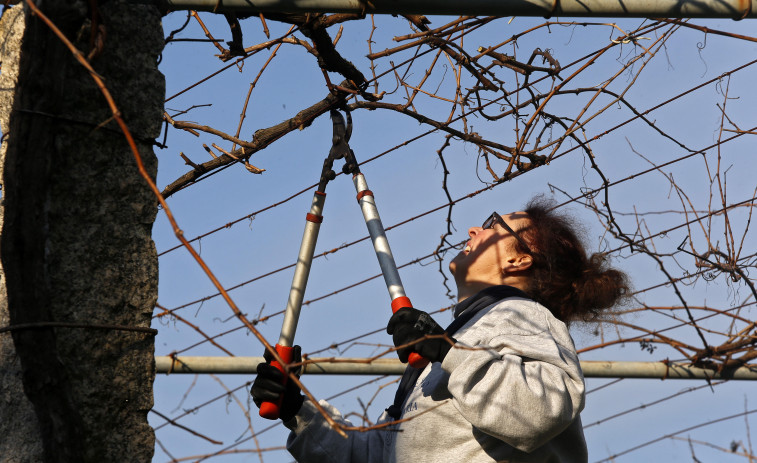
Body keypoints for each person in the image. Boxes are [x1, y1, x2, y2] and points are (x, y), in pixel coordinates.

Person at [251, 196, 629, 462]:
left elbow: (538, 412)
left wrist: (448, 351)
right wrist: (298, 411)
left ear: (519, 259)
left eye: (494, 224)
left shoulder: (523, 316)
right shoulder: (454, 346)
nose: (474, 229)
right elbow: (380, 456)